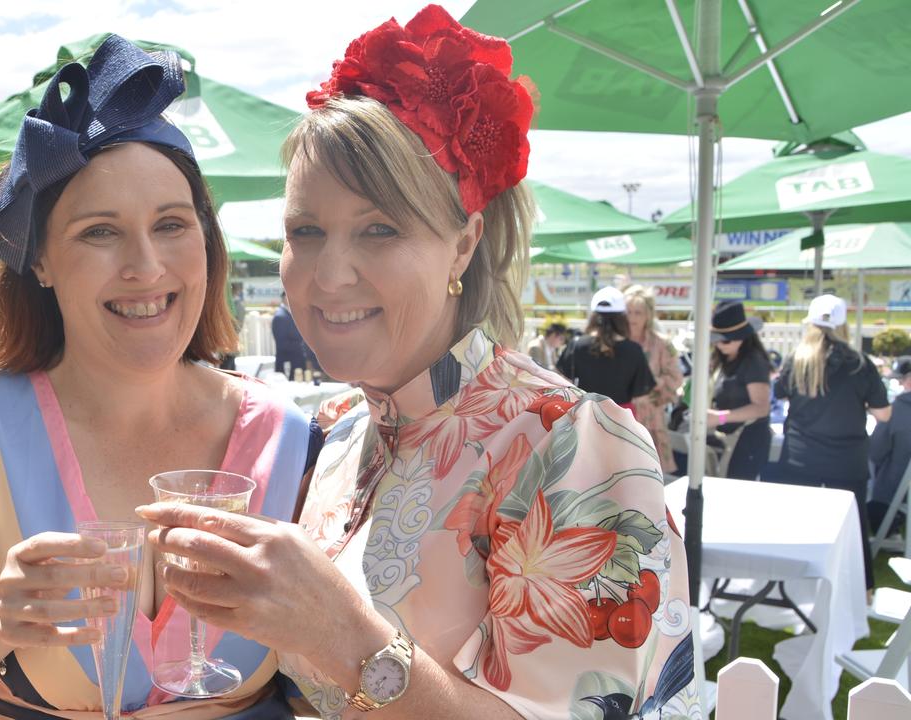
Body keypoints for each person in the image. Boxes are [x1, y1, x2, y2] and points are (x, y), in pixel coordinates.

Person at [139, 8, 698, 718]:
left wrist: (348, 639)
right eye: (305, 232)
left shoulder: (570, 447)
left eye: (379, 229)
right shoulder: (341, 434)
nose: (328, 274)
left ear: (463, 245)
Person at [0, 35, 318, 720]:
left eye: (171, 224)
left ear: (206, 241)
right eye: (99, 232)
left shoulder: (295, 444)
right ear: (40, 260)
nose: (145, 266)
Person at [775, 295, 890, 591]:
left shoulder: (797, 360)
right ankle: (861, 588)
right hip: (846, 457)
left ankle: (791, 586)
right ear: (843, 326)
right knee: (853, 524)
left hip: (802, 454)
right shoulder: (860, 364)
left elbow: (782, 394)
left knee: (797, 522)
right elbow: (883, 413)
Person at [556, 287, 656, 410]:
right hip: (621, 420)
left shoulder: (576, 345)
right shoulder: (634, 350)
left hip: (585, 416)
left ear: (593, 316)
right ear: (622, 317)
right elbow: (642, 395)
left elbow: (562, 382)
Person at [707, 300, 773, 480]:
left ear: (742, 336)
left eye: (726, 339)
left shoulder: (753, 361)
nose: (720, 344)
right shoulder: (723, 358)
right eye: (716, 338)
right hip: (726, 442)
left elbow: (761, 407)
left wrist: (720, 417)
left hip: (747, 443)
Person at [625, 285, 684, 474]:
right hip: (621, 417)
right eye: (628, 312)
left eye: (638, 313)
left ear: (648, 315)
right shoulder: (615, 342)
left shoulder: (662, 343)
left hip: (651, 418)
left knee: (652, 475)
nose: (632, 318)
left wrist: (653, 385)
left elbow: (675, 378)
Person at [871, 355, 911, 536]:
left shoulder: (897, 410)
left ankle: (889, 529)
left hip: (897, 494)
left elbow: (875, 453)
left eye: (901, 380)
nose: (901, 385)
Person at [271, 291, 315, 378]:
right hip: (288, 365)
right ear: (284, 298)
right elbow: (282, 344)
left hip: (296, 362)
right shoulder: (280, 317)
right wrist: (303, 345)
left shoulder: (291, 313)